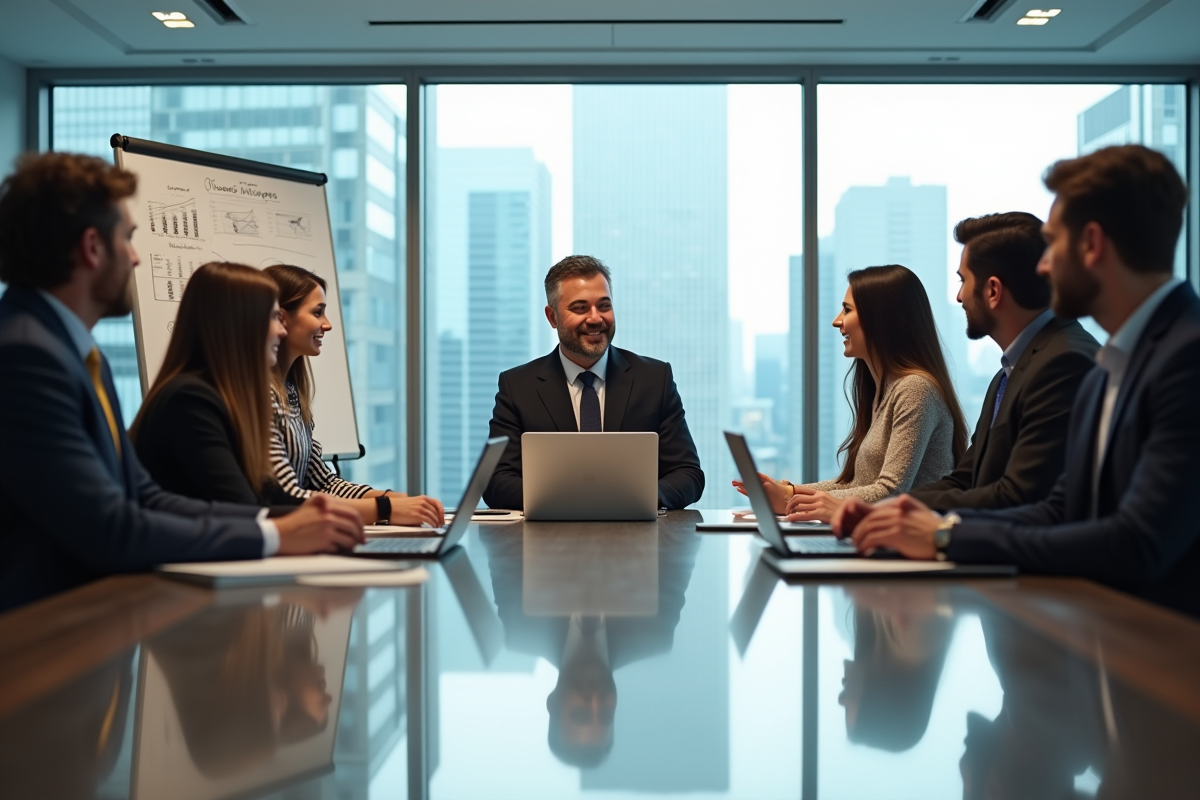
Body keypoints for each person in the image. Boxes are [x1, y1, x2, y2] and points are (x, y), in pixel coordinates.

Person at [838, 145, 1200, 619]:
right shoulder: (1111, 365)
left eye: (1053, 246)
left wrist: (945, 535)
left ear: (1091, 244)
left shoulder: (1184, 357)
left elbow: (1137, 541)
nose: (1043, 268)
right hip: (1100, 641)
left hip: (1159, 660)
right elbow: (1059, 508)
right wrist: (908, 518)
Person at [0, 152, 364, 612]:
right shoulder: (27, 356)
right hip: (41, 640)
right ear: (93, 247)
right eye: (128, 239)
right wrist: (272, 531)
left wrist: (276, 527)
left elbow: (145, 496)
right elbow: (113, 529)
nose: (136, 258)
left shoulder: (77, 352)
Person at [734, 264, 968, 522]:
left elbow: (890, 491)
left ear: (881, 318)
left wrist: (791, 500)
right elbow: (856, 484)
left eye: (847, 310)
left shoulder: (915, 389)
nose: (837, 321)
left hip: (906, 543)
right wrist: (790, 492)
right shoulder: (884, 389)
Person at [908, 213, 1099, 511]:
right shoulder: (1007, 374)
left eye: (963, 280)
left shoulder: (1064, 362)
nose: (959, 297)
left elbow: (1018, 497)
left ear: (993, 291)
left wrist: (896, 515)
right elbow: (964, 480)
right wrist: (883, 510)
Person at [483, 255, 705, 510]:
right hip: (548, 542)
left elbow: (689, 474)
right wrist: (575, 499)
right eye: (580, 308)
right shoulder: (517, 387)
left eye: (604, 306)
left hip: (638, 541)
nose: (595, 318)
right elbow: (496, 482)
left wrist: (637, 498)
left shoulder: (655, 379)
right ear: (552, 317)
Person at [263, 264, 443, 527]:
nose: (328, 324)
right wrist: (386, 508)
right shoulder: (260, 395)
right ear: (282, 318)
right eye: (317, 313)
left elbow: (322, 482)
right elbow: (286, 496)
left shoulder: (292, 392)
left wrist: (392, 498)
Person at [132, 262, 297, 509]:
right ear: (241, 324)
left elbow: (270, 496)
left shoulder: (227, 399)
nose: (283, 331)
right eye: (274, 317)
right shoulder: (189, 400)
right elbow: (243, 510)